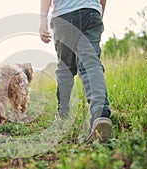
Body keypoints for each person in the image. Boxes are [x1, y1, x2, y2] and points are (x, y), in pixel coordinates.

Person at [39, 0, 112, 143]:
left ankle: (62, 116)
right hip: (91, 12)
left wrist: (43, 21)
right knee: (91, 63)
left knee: (65, 69)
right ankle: (100, 113)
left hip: (64, 14)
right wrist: (99, 14)